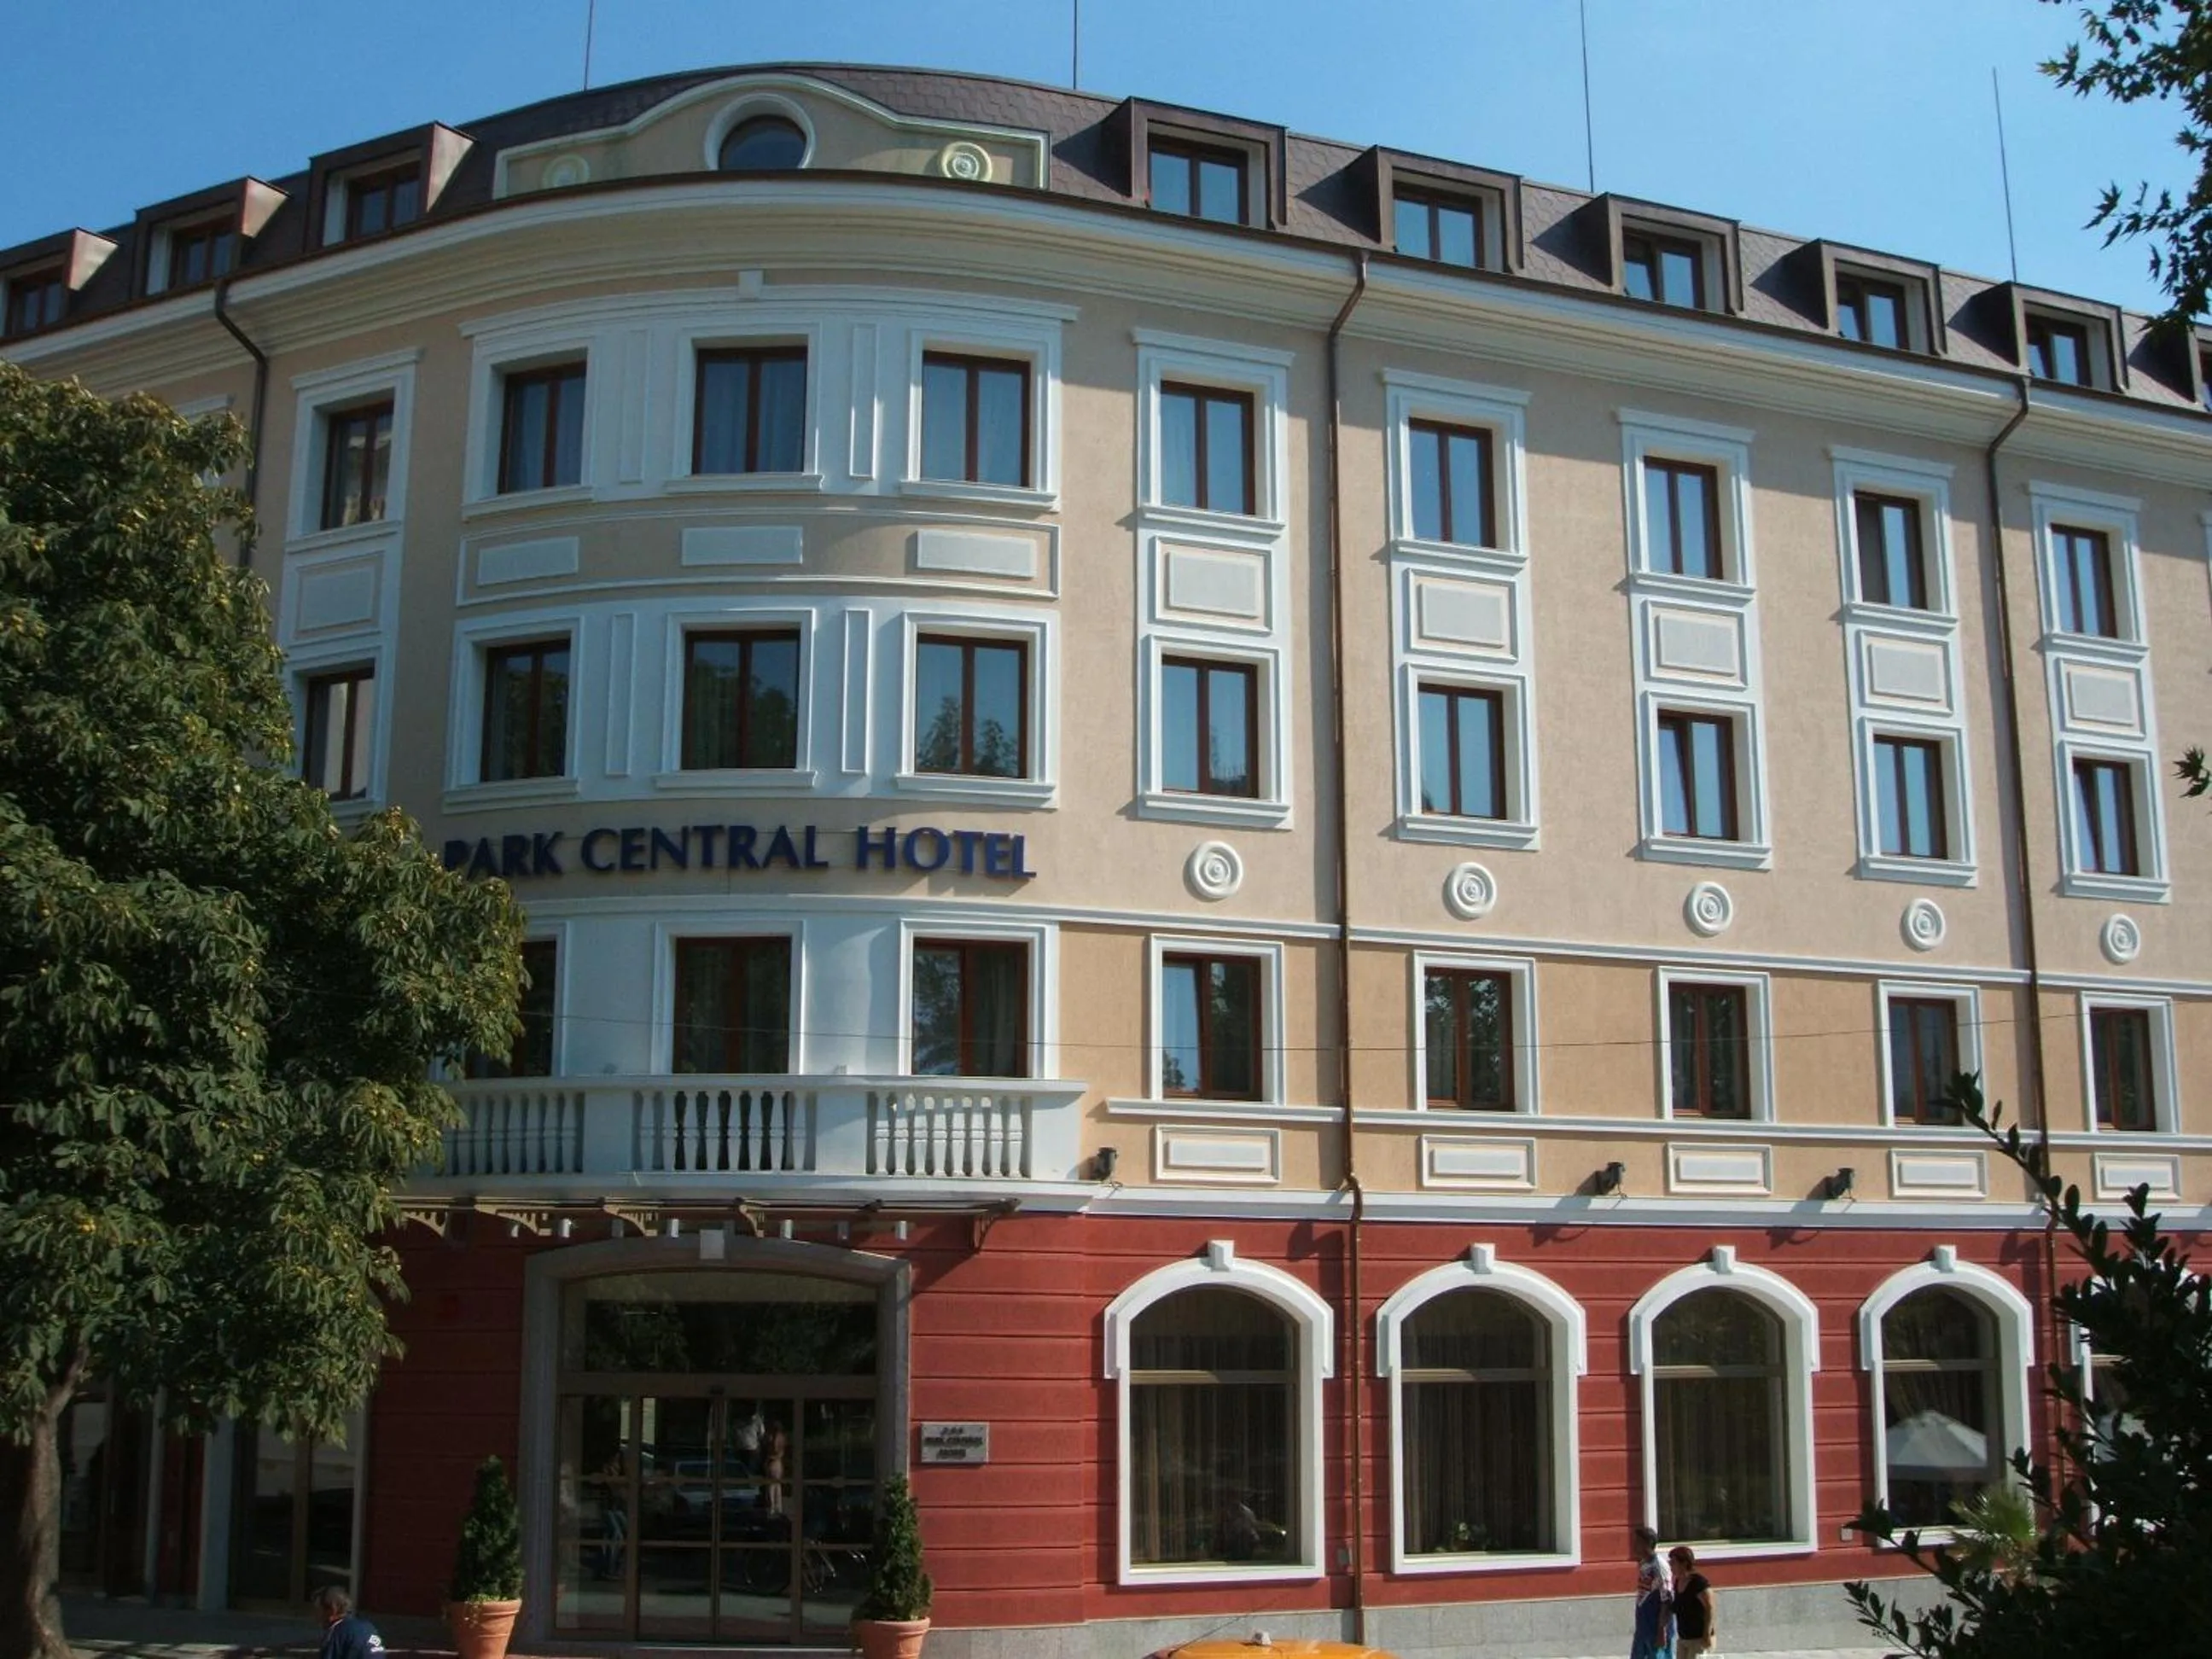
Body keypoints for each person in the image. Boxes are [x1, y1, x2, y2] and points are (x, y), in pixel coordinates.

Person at [1630, 1523, 1674, 1659]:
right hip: (1643, 1626)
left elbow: (1666, 1600)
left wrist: (1662, 1631)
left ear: (1647, 1543)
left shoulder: (1659, 1566)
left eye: (1637, 1542)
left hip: (1656, 1627)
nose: (1634, 1546)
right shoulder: (1644, 1564)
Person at [314, 1586, 386, 1659]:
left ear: (332, 1610)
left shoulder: (336, 1633)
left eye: (318, 1610)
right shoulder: (369, 1627)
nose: (316, 1615)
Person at [1669, 1545, 1716, 1656]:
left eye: (1673, 1562)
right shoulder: (1678, 1581)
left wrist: (1707, 1635)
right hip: (1683, 1638)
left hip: (1699, 1639)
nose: (1670, 1566)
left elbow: (1710, 1609)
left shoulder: (1699, 1583)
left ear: (1684, 1563)